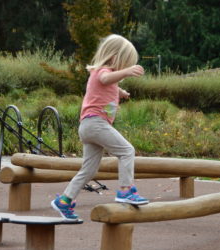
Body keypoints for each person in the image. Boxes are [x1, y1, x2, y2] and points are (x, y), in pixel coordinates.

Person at [52, 34, 149, 220]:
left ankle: (64, 200)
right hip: (96, 123)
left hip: (89, 126)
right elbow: (105, 79)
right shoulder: (101, 71)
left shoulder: (104, 76)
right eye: (124, 63)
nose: (124, 67)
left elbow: (108, 85)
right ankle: (125, 190)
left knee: (88, 170)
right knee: (127, 151)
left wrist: (121, 92)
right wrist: (127, 72)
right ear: (114, 57)